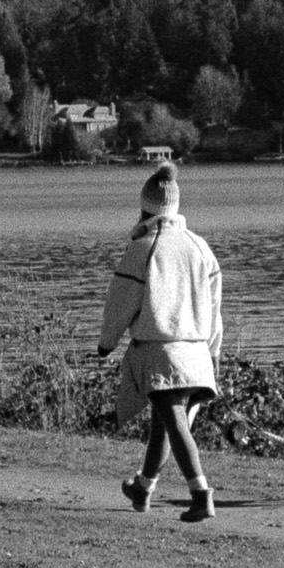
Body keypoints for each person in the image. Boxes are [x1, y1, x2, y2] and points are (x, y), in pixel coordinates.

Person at [98, 161, 224, 522]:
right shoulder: (201, 247)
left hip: (161, 351)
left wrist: (107, 342)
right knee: (165, 421)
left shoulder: (143, 248)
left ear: (145, 206)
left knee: (172, 418)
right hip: (197, 351)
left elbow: (121, 301)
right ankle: (143, 487)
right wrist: (214, 354)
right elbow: (215, 310)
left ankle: (201, 494)